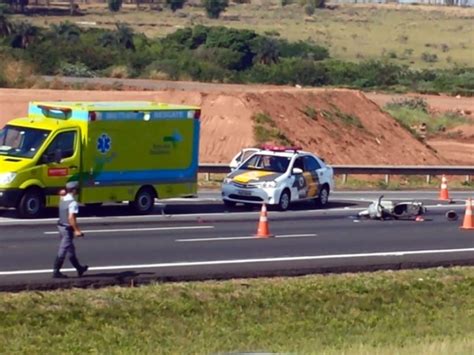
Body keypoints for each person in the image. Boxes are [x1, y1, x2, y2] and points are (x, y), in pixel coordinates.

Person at [53, 181, 88, 279]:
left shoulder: (63, 199)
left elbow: (61, 194)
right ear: (74, 190)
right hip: (67, 229)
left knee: (70, 249)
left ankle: (79, 268)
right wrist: (77, 230)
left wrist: (62, 192)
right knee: (63, 249)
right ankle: (56, 271)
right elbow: (71, 218)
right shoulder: (72, 203)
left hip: (60, 226)